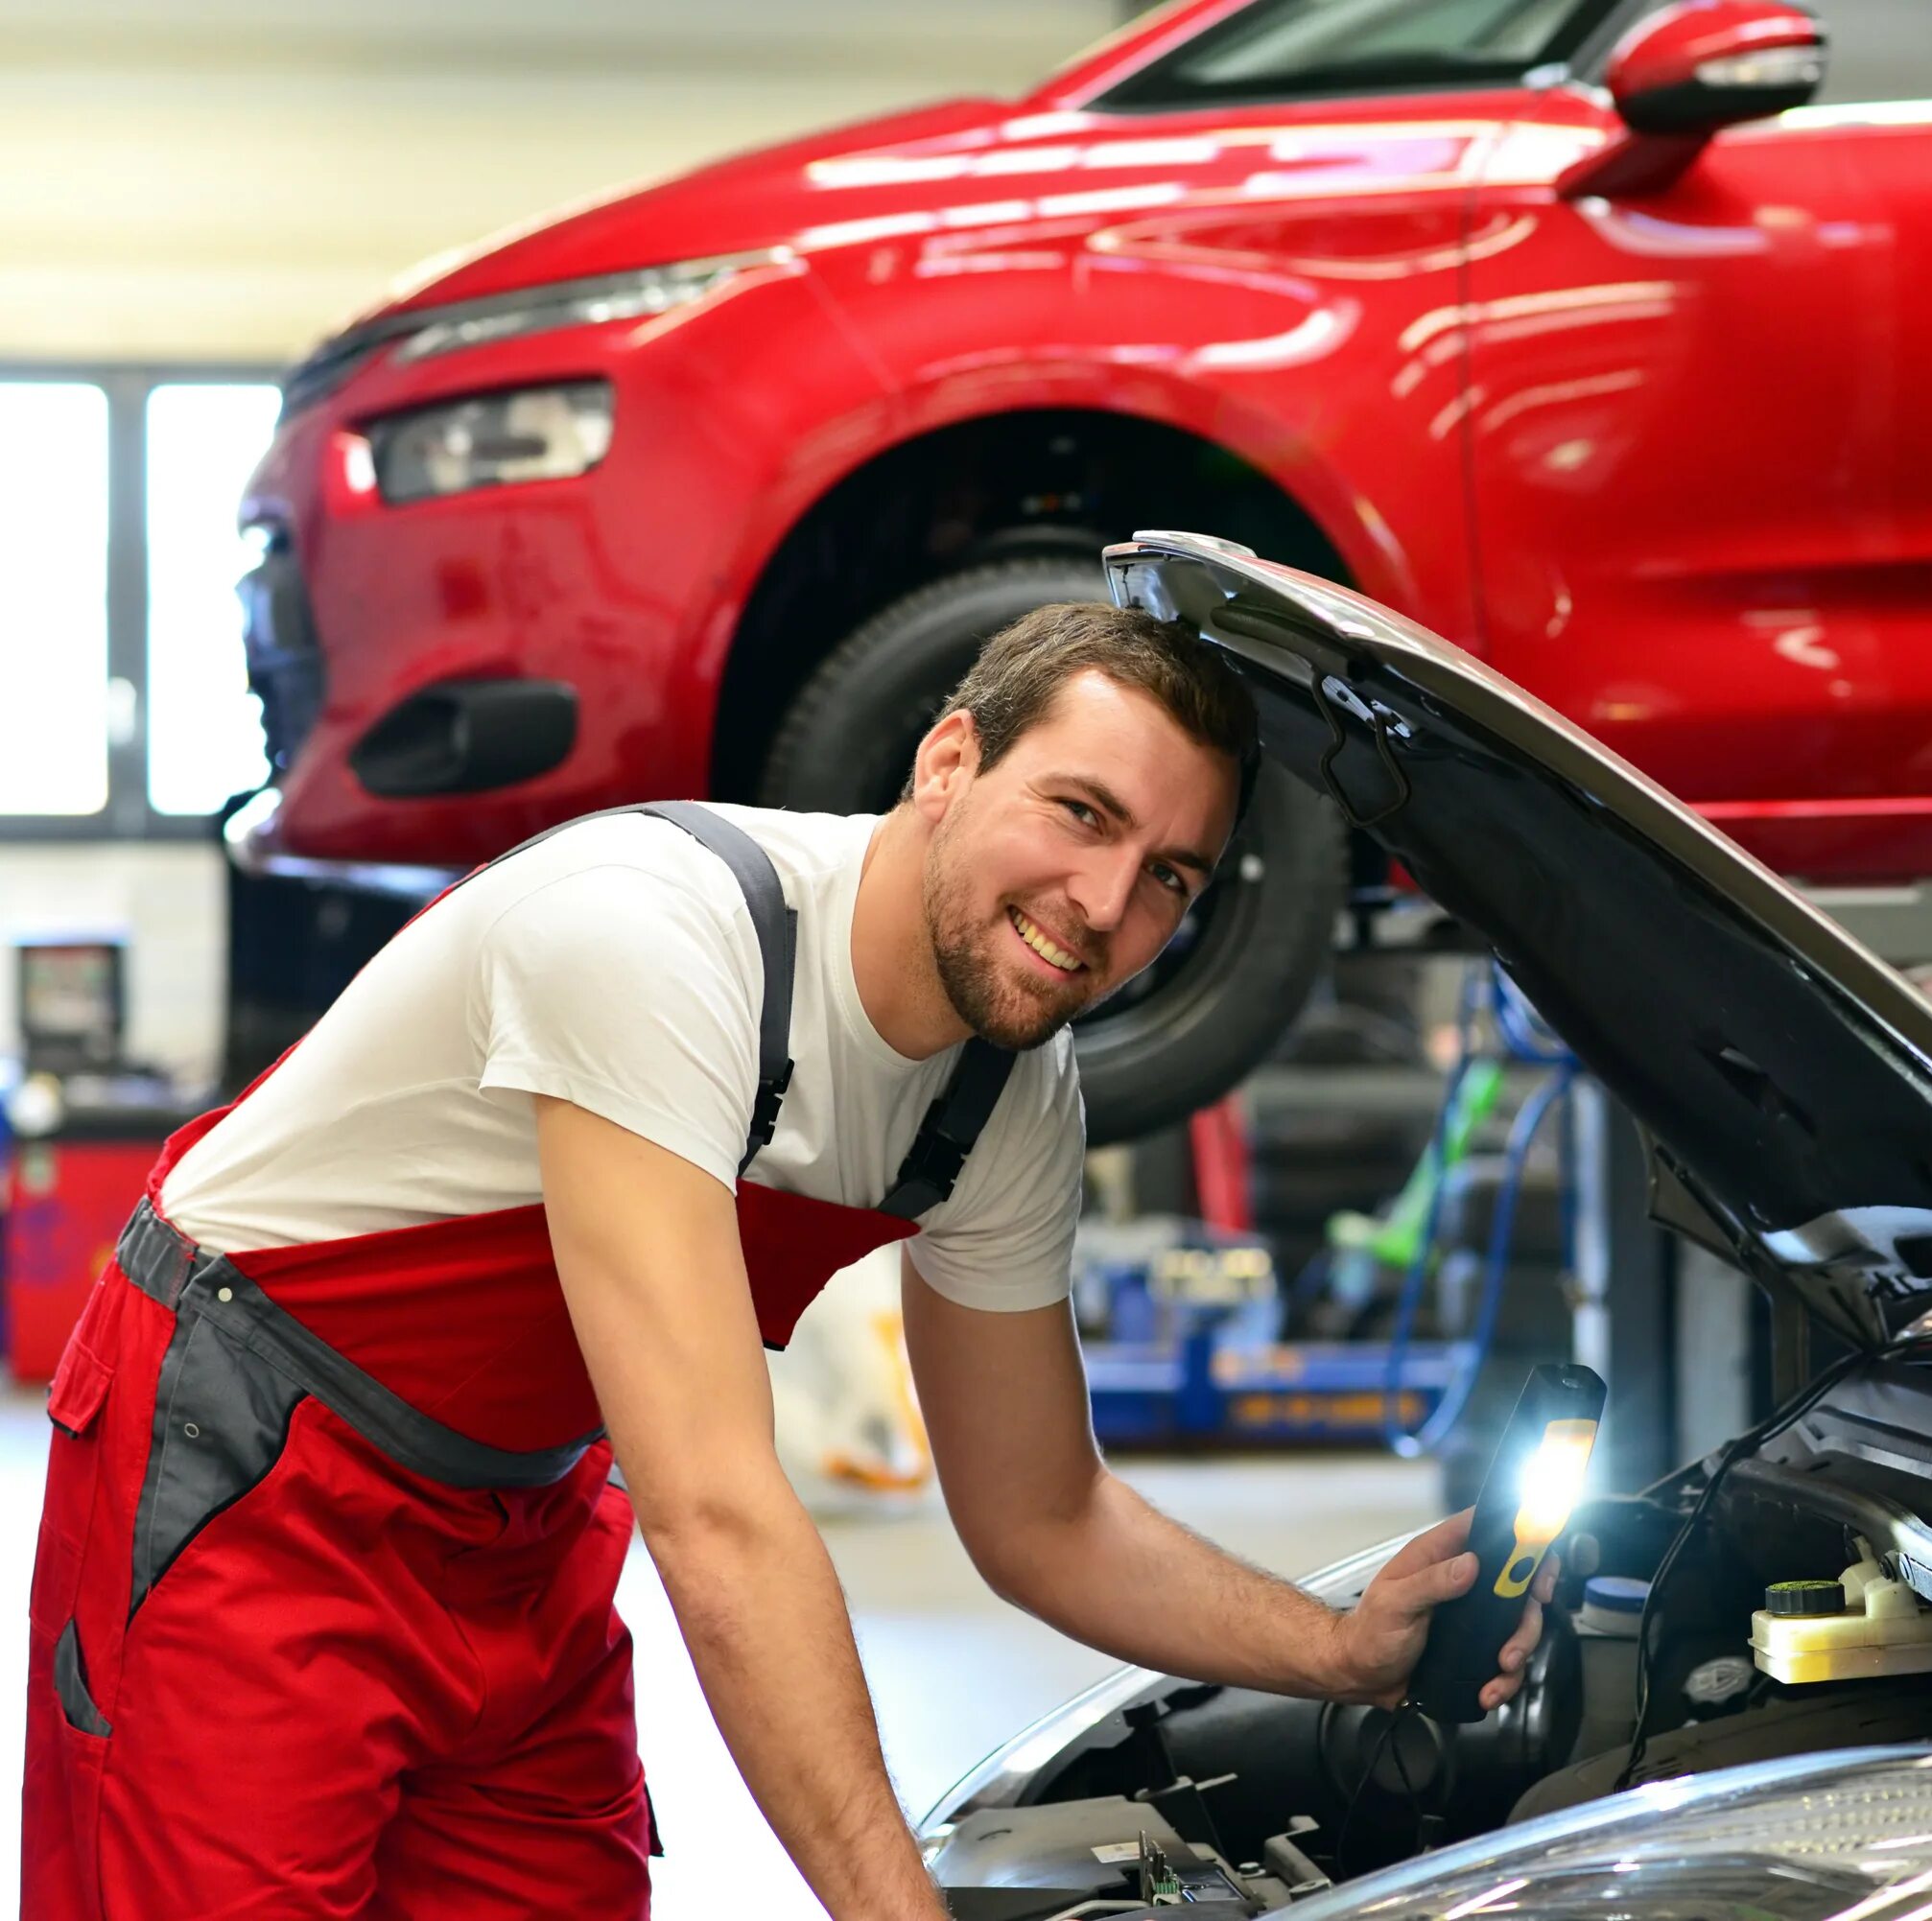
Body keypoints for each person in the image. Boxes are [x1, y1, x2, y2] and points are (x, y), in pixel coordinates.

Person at [23, 602, 1544, 1918]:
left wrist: (1336, 1649)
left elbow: (1041, 1514)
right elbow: (721, 1518)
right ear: (947, 763)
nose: (1106, 908)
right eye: (1081, 813)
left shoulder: (1007, 1092)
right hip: (251, 1471)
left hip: (519, 1525)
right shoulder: (661, 937)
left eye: (1170, 876)